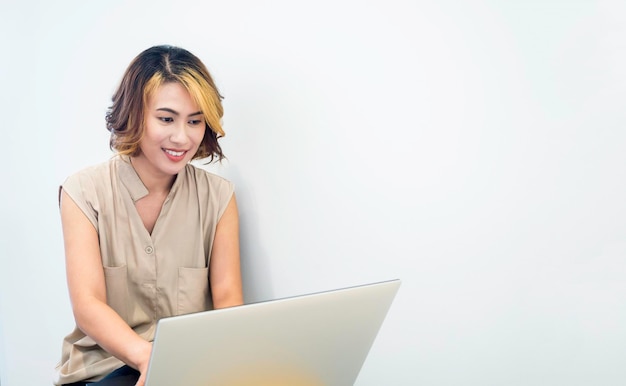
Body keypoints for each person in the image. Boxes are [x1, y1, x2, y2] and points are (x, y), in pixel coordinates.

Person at [54, 45, 243, 386]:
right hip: (105, 368)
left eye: (195, 121)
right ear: (135, 114)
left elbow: (229, 301)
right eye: (166, 118)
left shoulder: (219, 197)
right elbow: (88, 303)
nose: (182, 137)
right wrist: (147, 359)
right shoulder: (82, 192)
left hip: (192, 367)